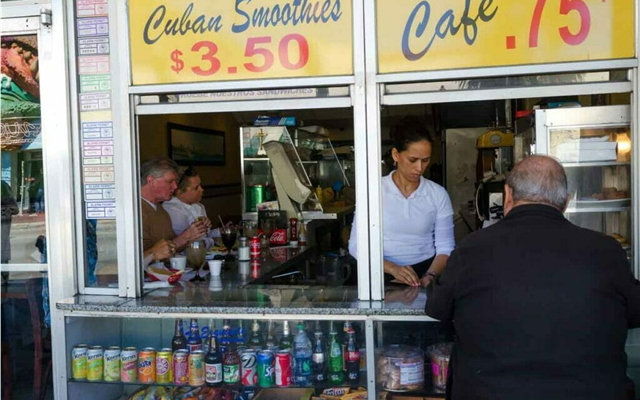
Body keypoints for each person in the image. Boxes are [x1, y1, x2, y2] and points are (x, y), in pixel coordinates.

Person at [426, 155, 640, 400]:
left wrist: (430, 279)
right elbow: (634, 311)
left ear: (507, 196)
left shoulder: (472, 248)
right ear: (566, 202)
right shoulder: (606, 250)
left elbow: (437, 308)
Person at [349, 122, 455, 287]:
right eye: (413, 160)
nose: (419, 168)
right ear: (396, 155)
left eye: (425, 160)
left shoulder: (437, 194)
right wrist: (393, 269)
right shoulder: (373, 192)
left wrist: (430, 275)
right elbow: (356, 246)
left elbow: (445, 247)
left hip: (425, 272)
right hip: (380, 272)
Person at [140, 158, 207, 264]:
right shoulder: (134, 212)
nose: (175, 187)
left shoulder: (161, 210)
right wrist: (185, 237)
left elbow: (171, 247)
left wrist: (192, 234)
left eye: (176, 182)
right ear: (151, 181)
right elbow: (133, 261)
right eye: (170, 182)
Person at [163, 166, 220, 248]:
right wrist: (213, 241)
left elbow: (204, 236)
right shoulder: (173, 210)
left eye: (200, 185)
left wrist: (220, 232)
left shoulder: (198, 206)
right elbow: (190, 245)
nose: (202, 189)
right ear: (180, 193)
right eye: (196, 188)